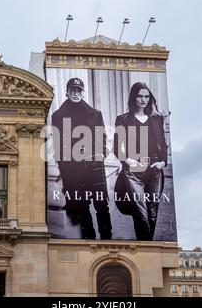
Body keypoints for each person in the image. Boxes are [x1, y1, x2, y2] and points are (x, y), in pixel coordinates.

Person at [51, 78, 112, 240]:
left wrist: (101, 155)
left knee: (102, 204)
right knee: (82, 205)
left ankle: (107, 237)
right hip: (73, 167)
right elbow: (58, 145)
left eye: (79, 90)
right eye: (73, 90)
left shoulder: (96, 114)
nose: (76, 93)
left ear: (83, 93)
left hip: (94, 164)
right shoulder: (57, 116)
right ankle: (89, 238)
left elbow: (103, 136)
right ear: (67, 92)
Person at [113, 82, 168, 240]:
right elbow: (117, 146)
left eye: (146, 96)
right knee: (141, 214)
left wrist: (162, 163)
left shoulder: (157, 119)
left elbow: (162, 144)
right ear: (133, 97)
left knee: (152, 214)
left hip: (155, 169)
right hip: (134, 171)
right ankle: (146, 250)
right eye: (139, 96)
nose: (143, 99)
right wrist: (129, 161)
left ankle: (146, 247)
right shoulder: (122, 119)